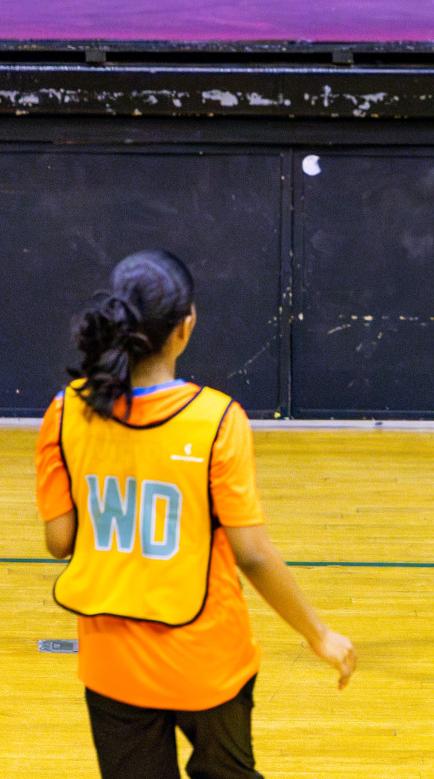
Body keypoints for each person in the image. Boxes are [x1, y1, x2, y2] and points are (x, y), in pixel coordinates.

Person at [34, 250, 356, 779]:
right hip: (206, 659)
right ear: (185, 327)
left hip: (111, 663)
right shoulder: (217, 420)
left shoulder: (66, 411)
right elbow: (252, 555)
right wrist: (318, 635)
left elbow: (59, 540)